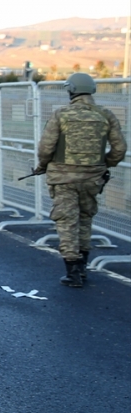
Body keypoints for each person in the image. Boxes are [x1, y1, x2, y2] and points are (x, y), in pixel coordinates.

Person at [35, 72, 126, 288]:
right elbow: (120, 148)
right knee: (85, 219)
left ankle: (72, 271)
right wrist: (105, 163)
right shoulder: (105, 115)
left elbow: (46, 147)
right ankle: (83, 267)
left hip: (63, 177)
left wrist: (42, 166)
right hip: (93, 178)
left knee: (67, 222)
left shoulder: (61, 114)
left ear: (71, 90)